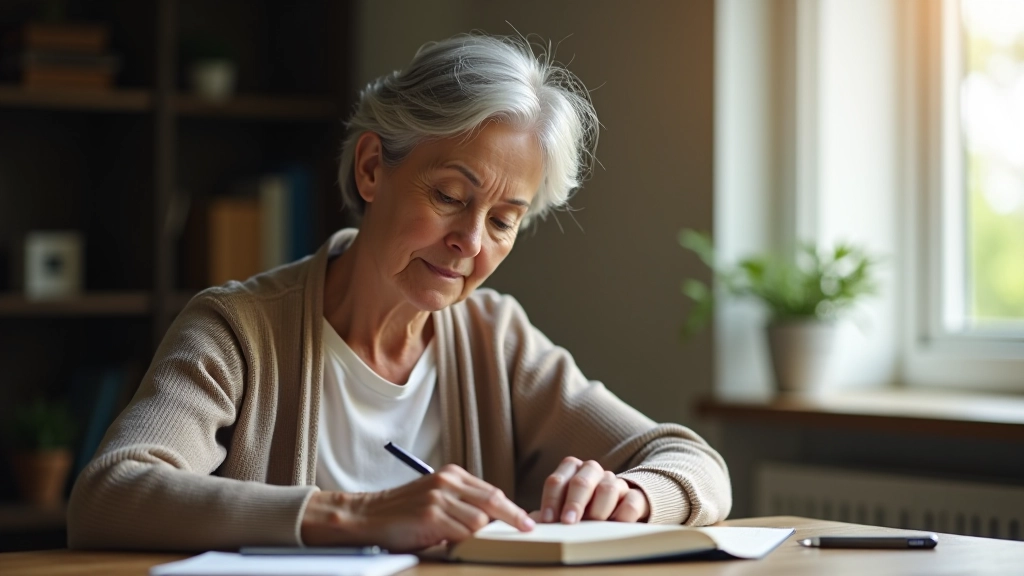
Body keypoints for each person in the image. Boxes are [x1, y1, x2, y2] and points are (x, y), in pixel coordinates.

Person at [67, 33, 731, 552]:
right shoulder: (237, 330)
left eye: (504, 221)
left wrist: (634, 494)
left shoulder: (495, 338)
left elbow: (694, 462)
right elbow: (109, 494)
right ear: (370, 169)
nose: (471, 241)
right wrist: (360, 515)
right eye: (449, 196)